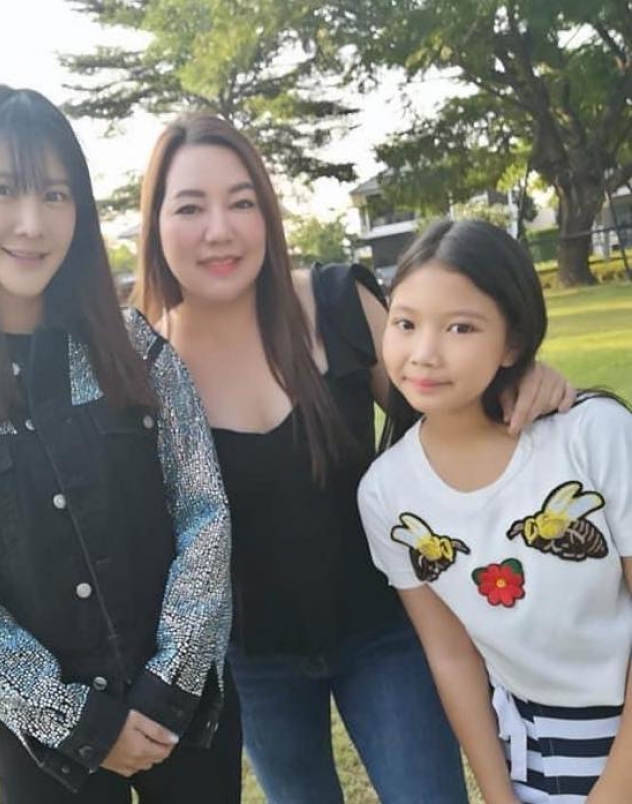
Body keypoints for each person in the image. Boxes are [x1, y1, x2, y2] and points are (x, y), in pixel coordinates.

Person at [133, 114, 576, 804]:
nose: (220, 230)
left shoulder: (339, 300)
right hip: (253, 660)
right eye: (190, 207)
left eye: (242, 202)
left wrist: (519, 380)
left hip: (387, 630)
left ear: (267, 213)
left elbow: (446, 398)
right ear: (156, 223)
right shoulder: (142, 368)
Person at [0, 85, 241, 804]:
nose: (32, 223)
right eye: (3, 189)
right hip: (47, 757)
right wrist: (77, 722)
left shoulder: (138, 349)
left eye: (56, 195)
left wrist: (169, 686)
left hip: (187, 720)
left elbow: (204, 513)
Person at [358, 218, 632, 803]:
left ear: (513, 341)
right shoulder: (386, 493)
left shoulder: (594, 435)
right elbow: (451, 655)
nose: (424, 354)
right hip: (531, 752)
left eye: (460, 327)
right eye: (405, 323)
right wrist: (498, 794)